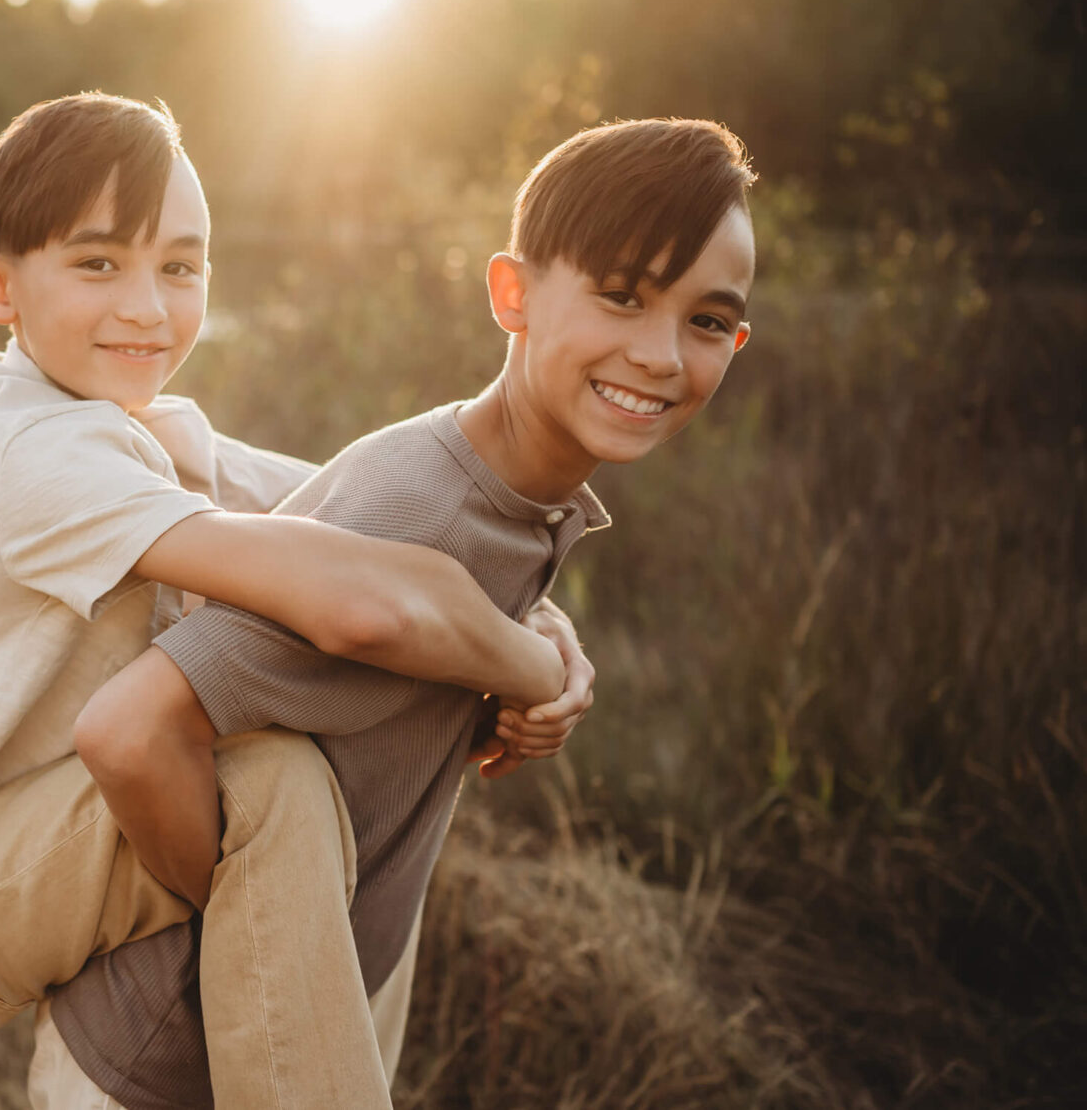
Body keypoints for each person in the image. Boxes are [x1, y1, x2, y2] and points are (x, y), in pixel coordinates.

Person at [0, 92, 592, 1109]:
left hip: (6, 843)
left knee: (275, 760)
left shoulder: (137, 428)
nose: (146, 305)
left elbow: (367, 523)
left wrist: (537, 622)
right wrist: (527, 668)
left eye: (179, 266)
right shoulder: (33, 457)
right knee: (266, 778)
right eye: (98, 263)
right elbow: (355, 598)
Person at [41, 116, 759, 1109]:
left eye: (707, 321)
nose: (660, 355)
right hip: (168, 1062)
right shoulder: (414, 507)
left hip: (324, 1001)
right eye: (621, 296)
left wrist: (542, 654)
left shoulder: (520, 495)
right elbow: (128, 731)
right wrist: (261, 927)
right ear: (510, 293)